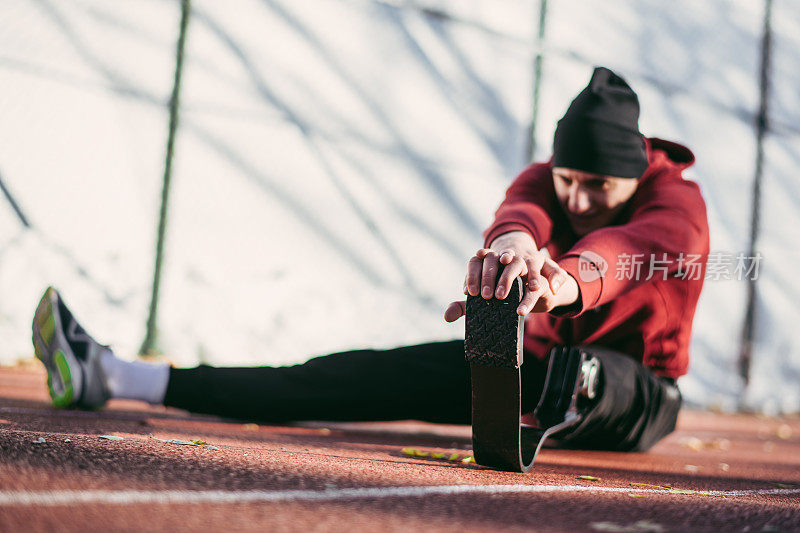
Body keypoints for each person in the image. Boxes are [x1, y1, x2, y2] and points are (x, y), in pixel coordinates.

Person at [32, 66, 708, 453]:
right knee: (334, 378)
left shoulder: (676, 208)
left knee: (581, 372)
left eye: (599, 187)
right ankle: (115, 373)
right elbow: (522, 213)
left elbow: (620, 255)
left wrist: (558, 281)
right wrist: (512, 246)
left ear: (631, 174)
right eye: (569, 181)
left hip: (637, 394)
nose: (579, 199)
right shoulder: (546, 177)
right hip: (527, 363)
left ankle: (557, 403)